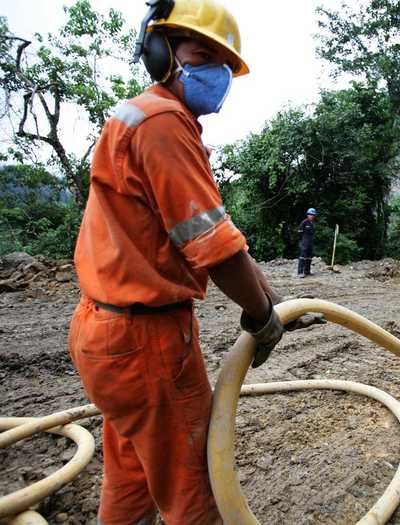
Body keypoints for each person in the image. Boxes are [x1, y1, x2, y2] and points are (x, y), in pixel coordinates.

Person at [67, 1, 320, 523]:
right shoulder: (164, 123)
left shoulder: (138, 115)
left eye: (223, 66)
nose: (216, 75)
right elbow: (212, 248)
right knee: (192, 479)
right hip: (147, 345)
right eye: (201, 55)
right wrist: (260, 316)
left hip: (105, 332)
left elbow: (217, 237)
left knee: (133, 469)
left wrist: (277, 299)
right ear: (160, 51)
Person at [297, 207, 317, 277]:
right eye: (310, 214)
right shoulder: (304, 222)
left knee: (309, 257)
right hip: (304, 242)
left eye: (313, 215)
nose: (311, 216)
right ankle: (300, 272)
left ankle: (307, 271)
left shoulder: (313, 223)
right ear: (307, 215)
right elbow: (299, 233)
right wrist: (302, 241)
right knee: (302, 257)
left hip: (310, 242)